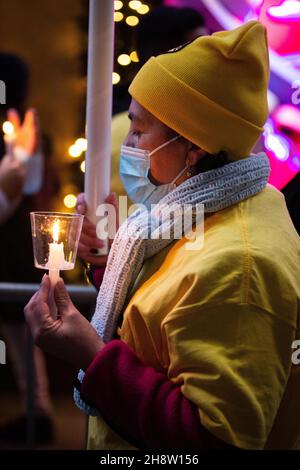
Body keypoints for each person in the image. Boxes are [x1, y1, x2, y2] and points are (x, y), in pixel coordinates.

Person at [25, 21, 300, 450]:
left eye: (138, 131)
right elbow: (170, 312)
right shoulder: (213, 206)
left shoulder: (241, 266)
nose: (128, 143)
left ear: (193, 147)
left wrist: (93, 358)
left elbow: (215, 439)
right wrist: (109, 261)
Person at [0, 53, 55, 443]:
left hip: (12, 240)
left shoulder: (22, 133)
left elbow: (26, 184)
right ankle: (39, 411)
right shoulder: (33, 131)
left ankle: (39, 414)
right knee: (21, 333)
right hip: (23, 238)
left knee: (20, 330)